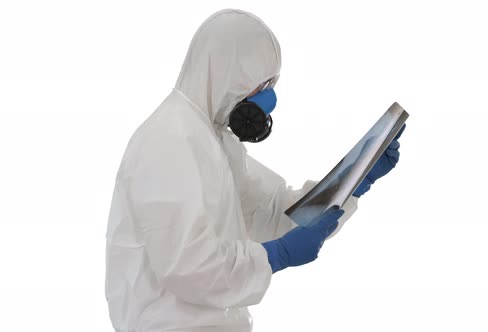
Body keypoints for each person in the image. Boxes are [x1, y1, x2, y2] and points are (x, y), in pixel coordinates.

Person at [105, 9, 403, 332]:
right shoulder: (169, 140)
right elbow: (188, 266)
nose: (265, 99)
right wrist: (275, 256)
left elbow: (273, 212)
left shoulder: (215, 141)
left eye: (270, 84)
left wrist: (353, 179)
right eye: (259, 85)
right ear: (225, 74)